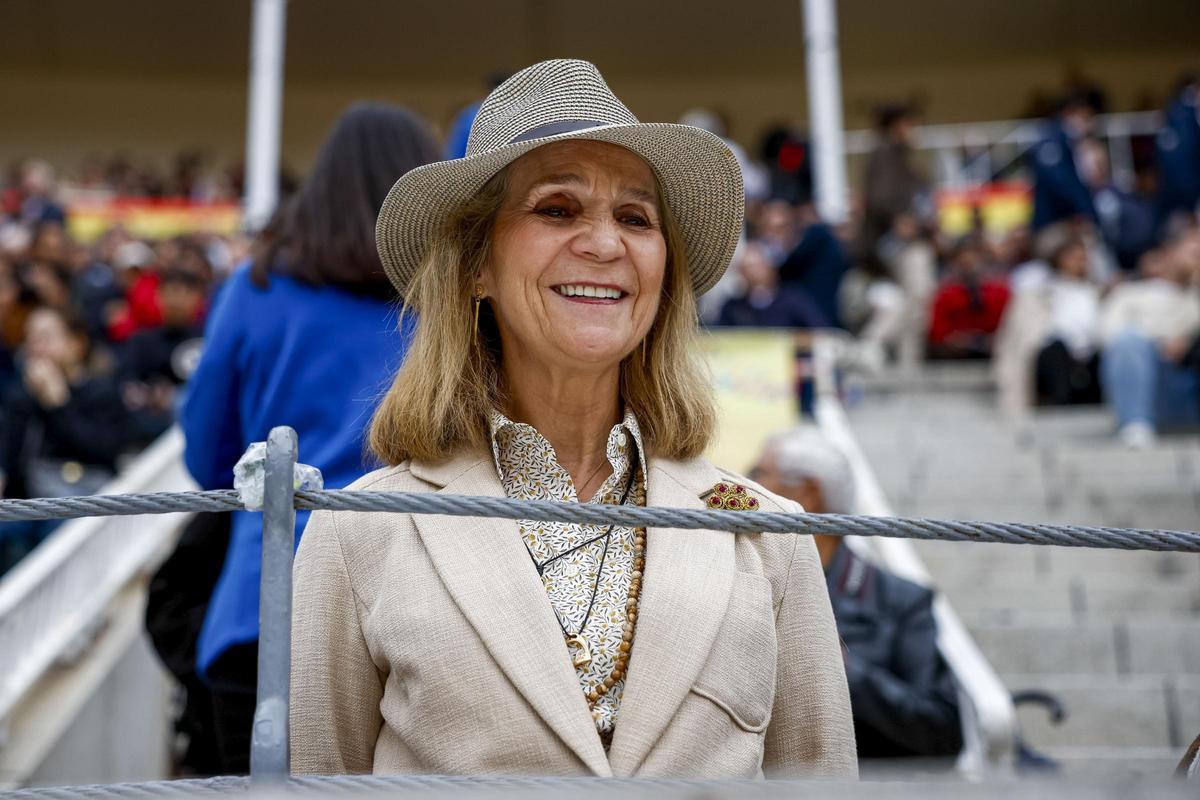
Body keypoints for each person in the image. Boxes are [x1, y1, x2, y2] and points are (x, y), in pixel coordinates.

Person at [291, 59, 856, 779]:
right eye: (557, 209)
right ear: (476, 266)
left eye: (635, 217)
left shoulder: (769, 539)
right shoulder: (357, 534)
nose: (605, 243)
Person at [177, 101, 440, 774]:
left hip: (261, 605)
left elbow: (211, 455)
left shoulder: (255, 288)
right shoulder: (450, 299)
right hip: (415, 604)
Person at [749, 427, 962, 761]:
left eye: (759, 473)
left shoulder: (902, 601)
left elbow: (944, 729)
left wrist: (841, 668)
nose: (744, 486)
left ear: (806, 495)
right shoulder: (746, 583)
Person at [0, 307, 136, 572]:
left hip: (80, 501)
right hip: (28, 504)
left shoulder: (101, 391)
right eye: (31, 340)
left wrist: (59, 404)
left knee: (57, 539)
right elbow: (11, 461)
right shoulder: (20, 396)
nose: (36, 348)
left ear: (75, 344)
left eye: (46, 338)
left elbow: (104, 451)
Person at [1099, 225, 1200, 447]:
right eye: (1193, 248)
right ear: (1169, 252)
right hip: (1154, 377)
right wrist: (1162, 342)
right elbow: (1109, 337)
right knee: (1129, 340)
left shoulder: (1194, 296)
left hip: (1189, 385)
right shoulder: (1130, 294)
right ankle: (1135, 423)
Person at [994, 236, 1103, 418]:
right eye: (1073, 257)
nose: (1079, 262)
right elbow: (1016, 337)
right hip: (1050, 355)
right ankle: (1060, 404)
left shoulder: (1095, 292)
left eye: (1082, 257)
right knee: (1057, 350)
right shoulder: (1039, 293)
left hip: (1088, 355)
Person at [717, 240, 829, 328]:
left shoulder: (793, 300)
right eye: (746, 267)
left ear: (770, 267)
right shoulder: (733, 307)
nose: (752, 272)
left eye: (756, 265)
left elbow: (819, 329)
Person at [1030, 93, 1099, 232]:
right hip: (1052, 223)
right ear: (1069, 114)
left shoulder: (1071, 143)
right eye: (1085, 118)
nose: (1088, 124)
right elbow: (1061, 183)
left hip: (1069, 219)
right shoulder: (1051, 142)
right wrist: (1085, 210)